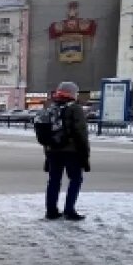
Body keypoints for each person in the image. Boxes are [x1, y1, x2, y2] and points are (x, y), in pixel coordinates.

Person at [37, 81, 90, 221]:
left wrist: (47, 154)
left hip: (52, 151)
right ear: (72, 93)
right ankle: (69, 210)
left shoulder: (51, 107)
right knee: (75, 179)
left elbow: (46, 132)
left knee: (54, 180)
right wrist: (85, 154)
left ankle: (51, 210)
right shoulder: (75, 108)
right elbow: (81, 133)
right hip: (72, 151)